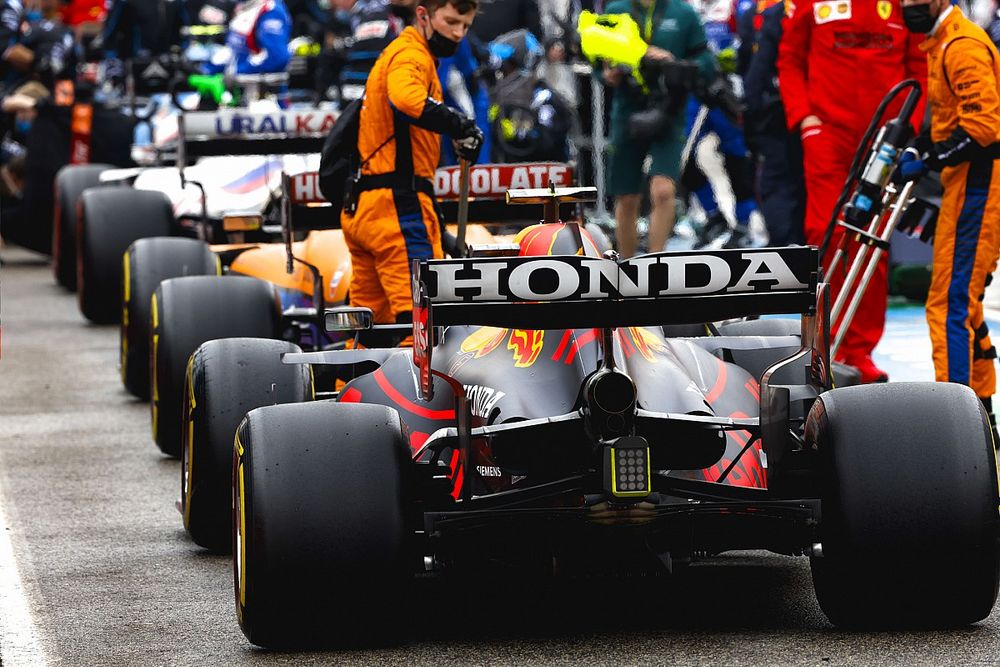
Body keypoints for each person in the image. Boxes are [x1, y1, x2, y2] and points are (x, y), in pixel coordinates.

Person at [778, 0, 926, 383]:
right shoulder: (808, 4)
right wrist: (806, 120)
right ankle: (820, 344)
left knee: (873, 237)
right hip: (827, 135)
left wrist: (906, 127)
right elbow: (790, 59)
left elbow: (918, 68)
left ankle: (858, 351)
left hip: (884, 140)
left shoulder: (902, 6)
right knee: (826, 232)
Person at [341, 0, 483, 325]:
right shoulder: (411, 54)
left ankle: (352, 379)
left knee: (369, 329)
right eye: (450, 22)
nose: (458, 33)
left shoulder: (404, 53)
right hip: (396, 210)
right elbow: (405, 98)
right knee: (420, 328)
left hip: (368, 205)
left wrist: (440, 231)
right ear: (423, 15)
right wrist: (460, 124)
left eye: (465, 26)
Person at [897, 0, 1000, 436]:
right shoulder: (941, 43)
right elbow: (951, 116)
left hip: (980, 189)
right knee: (964, 301)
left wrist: (931, 159)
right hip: (967, 187)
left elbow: (983, 128)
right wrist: (922, 145)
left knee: (949, 305)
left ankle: (956, 426)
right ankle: (979, 408)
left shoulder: (961, 45)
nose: (907, 5)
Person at [593, 1, 718, 258]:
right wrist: (606, 74)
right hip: (628, 109)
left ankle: (655, 262)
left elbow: (705, 60)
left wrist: (673, 63)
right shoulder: (616, 10)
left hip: (670, 110)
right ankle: (625, 269)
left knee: (663, 190)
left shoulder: (682, 12)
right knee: (626, 196)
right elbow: (595, 59)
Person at [684, 0, 761, 250]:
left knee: (736, 156)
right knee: (681, 157)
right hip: (691, 92)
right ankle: (712, 215)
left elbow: (752, 41)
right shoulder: (686, 7)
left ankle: (743, 223)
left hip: (726, 91)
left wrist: (735, 60)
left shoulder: (737, 5)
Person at [737, 0, 805, 247]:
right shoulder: (761, 14)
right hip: (791, 116)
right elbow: (752, 67)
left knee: (779, 185)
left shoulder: (776, 14)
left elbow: (754, 70)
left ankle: (790, 249)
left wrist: (751, 114)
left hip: (792, 117)